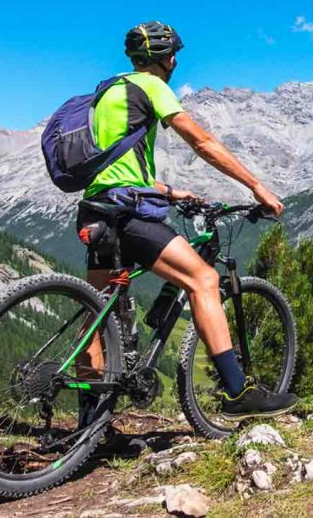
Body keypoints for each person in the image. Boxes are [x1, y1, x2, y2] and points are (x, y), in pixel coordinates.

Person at [75, 21, 298, 421]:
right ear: (169, 58)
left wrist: (168, 191)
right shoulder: (152, 86)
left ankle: (88, 425)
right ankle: (237, 392)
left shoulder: (106, 92)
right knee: (204, 279)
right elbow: (202, 142)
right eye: (175, 55)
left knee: (98, 313)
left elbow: (115, 165)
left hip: (96, 210)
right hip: (127, 215)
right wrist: (256, 187)